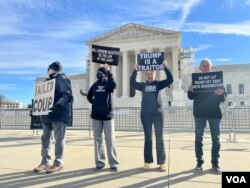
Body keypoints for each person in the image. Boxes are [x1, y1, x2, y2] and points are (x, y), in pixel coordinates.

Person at [130, 60, 173, 171]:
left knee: (159, 138)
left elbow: (170, 80)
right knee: (148, 138)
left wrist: (165, 67)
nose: (150, 75)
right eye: (148, 74)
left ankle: (162, 162)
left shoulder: (158, 84)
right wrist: (135, 70)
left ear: (154, 75)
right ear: (146, 75)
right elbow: (132, 83)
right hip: (145, 114)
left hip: (158, 114)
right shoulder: (143, 85)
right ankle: (147, 161)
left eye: (151, 74)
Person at [188, 59, 227, 174]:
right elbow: (191, 97)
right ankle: (199, 162)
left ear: (211, 68)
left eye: (207, 66)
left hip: (214, 113)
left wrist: (220, 94)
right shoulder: (196, 81)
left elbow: (224, 98)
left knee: (216, 139)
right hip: (199, 114)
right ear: (200, 68)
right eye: (203, 66)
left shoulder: (218, 81)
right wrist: (190, 90)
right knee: (198, 139)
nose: (205, 68)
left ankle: (215, 162)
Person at [33, 61, 73, 174]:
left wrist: (58, 105)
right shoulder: (47, 82)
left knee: (59, 139)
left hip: (58, 114)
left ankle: (58, 162)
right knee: (45, 138)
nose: (47, 71)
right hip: (47, 115)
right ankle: (45, 161)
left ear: (54, 69)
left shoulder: (62, 79)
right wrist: (36, 109)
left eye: (49, 69)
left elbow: (67, 95)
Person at [87, 63, 119, 171]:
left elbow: (114, 85)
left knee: (110, 139)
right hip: (96, 116)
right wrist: (95, 103)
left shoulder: (108, 84)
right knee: (98, 139)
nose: (99, 74)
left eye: (101, 73)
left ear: (105, 75)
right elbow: (89, 96)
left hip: (107, 116)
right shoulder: (95, 85)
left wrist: (109, 71)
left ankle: (113, 163)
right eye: (98, 73)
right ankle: (100, 162)